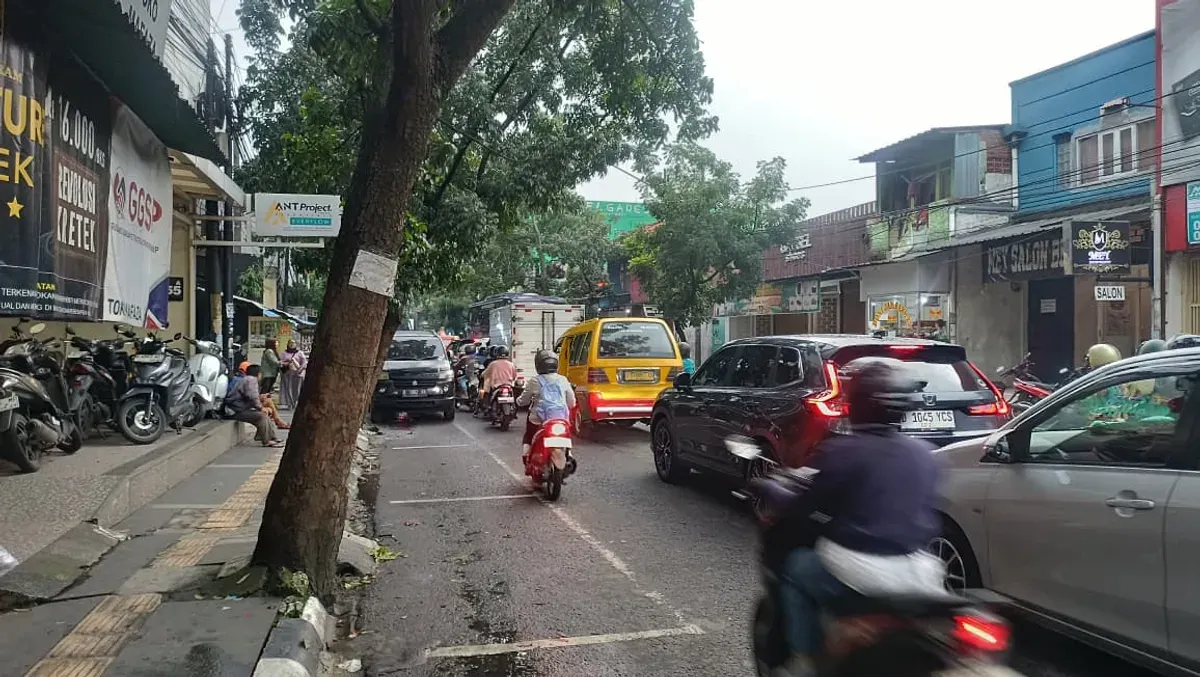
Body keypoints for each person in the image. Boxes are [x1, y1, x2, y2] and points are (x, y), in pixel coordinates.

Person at [768, 358, 945, 677]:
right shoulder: (923, 453)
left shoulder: (843, 451)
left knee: (795, 570)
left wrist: (771, 491)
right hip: (921, 570)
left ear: (857, 405)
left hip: (860, 567)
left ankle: (804, 660)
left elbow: (804, 505)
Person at [516, 349, 576, 463]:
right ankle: (569, 453)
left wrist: (518, 401)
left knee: (529, 435)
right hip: (561, 419)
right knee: (566, 433)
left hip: (539, 419)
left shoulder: (535, 380)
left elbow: (523, 400)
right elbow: (572, 402)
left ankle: (526, 456)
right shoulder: (563, 379)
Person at [226, 364, 283, 447]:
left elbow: (249, 396)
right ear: (259, 374)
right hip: (235, 410)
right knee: (262, 416)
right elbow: (252, 397)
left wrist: (261, 398)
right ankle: (267, 440)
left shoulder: (247, 379)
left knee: (264, 413)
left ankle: (271, 437)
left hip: (238, 408)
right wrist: (261, 408)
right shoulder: (251, 380)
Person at [480, 345, 518, 411]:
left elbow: (485, 373)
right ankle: (513, 407)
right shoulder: (511, 364)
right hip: (508, 385)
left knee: (487, 392)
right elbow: (514, 376)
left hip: (496, 385)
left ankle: (488, 406)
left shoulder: (493, 364)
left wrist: (482, 375)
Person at [280, 339, 308, 409]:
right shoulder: (284, 353)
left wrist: (300, 369)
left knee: (297, 389)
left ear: (296, 344)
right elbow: (280, 363)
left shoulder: (300, 353)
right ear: (288, 344)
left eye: (293, 343)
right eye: (290, 343)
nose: (292, 344)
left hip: (298, 373)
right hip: (288, 373)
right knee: (288, 388)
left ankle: (297, 402)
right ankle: (290, 403)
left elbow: (304, 362)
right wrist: (287, 362)